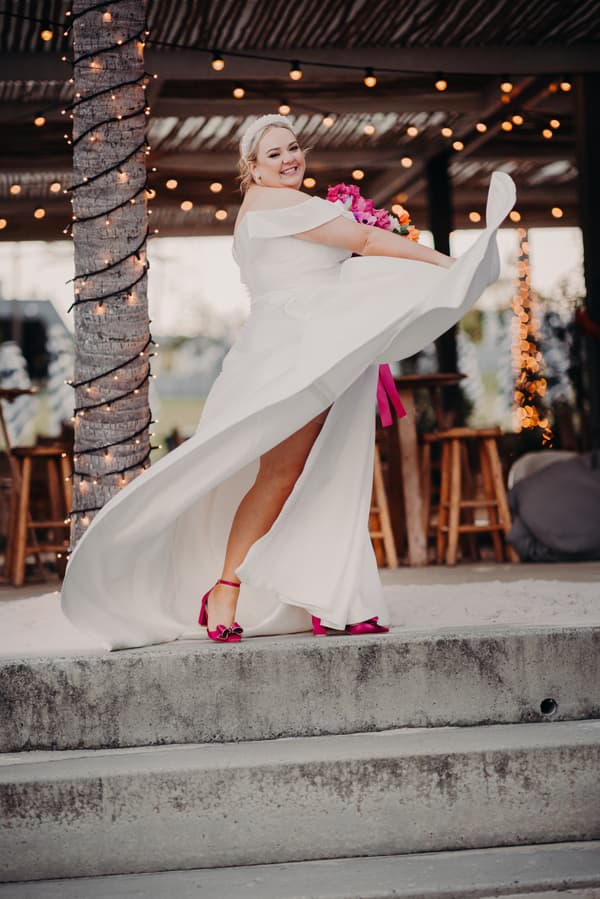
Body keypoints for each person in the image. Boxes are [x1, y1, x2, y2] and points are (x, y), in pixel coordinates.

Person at [61, 113, 516, 651]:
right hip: (292, 355)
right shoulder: (272, 203)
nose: (288, 159)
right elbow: (366, 242)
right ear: (251, 169)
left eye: (293, 148)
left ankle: (326, 595)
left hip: (314, 349)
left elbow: (339, 261)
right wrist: (449, 264)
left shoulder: (282, 209)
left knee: (315, 473)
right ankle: (229, 587)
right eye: (273, 154)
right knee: (283, 476)